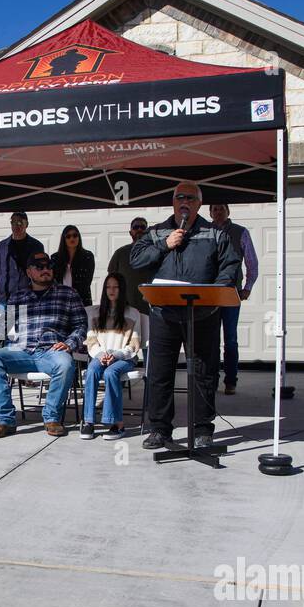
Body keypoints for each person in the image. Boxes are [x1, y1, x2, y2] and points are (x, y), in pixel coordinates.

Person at [129, 181, 240, 451]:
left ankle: (202, 430)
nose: (184, 202)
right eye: (179, 197)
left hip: (202, 315)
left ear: (199, 204)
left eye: (190, 198)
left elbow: (231, 267)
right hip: (164, 314)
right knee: (159, 374)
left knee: (204, 373)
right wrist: (165, 245)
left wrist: (213, 291)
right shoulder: (157, 232)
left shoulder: (215, 234)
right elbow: (136, 260)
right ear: (173, 202)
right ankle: (159, 430)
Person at [0, 251, 87, 439]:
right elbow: (2, 325)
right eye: (39, 267)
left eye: (48, 266)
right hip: (21, 351)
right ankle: (5, 420)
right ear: (29, 272)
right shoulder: (18, 296)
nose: (45, 270)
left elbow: (80, 326)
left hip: (51, 351)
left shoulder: (68, 293)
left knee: (65, 364)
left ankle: (52, 417)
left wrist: (69, 343)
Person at [79, 274, 143, 441]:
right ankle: (88, 421)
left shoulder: (133, 313)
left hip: (123, 358)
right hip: (100, 356)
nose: (111, 290)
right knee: (92, 370)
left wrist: (115, 355)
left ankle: (116, 424)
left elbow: (134, 345)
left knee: (110, 373)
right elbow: (91, 341)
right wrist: (101, 355)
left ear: (122, 290)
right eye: (108, 287)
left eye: (115, 287)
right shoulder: (94, 313)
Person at [208, 203, 259, 396]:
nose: (218, 212)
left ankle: (231, 381)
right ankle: (211, 380)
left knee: (230, 339)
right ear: (210, 212)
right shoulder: (204, 230)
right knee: (210, 339)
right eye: (215, 209)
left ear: (228, 211)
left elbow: (252, 262)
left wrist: (247, 288)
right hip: (209, 293)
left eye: (221, 208)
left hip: (230, 291)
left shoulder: (240, 232)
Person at [0, 212, 43, 311]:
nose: (16, 225)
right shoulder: (1, 246)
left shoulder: (36, 246)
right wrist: (3, 284)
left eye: (19, 223)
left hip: (28, 296)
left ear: (26, 224)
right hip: (6, 297)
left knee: (24, 326)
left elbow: (40, 269)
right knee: (5, 325)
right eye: (13, 222)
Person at [107, 216, 156, 314]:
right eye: (135, 227)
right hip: (125, 306)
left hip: (150, 306)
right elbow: (111, 279)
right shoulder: (120, 253)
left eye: (142, 227)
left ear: (147, 231)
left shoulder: (155, 251)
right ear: (130, 232)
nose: (139, 229)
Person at [50, 225, 95, 306]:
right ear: (64, 239)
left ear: (79, 237)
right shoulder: (55, 258)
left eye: (75, 235)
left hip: (81, 299)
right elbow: (52, 281)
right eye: (68, 236)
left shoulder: (87, 256)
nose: (72, 239)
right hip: (60, 300)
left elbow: (87, 281)